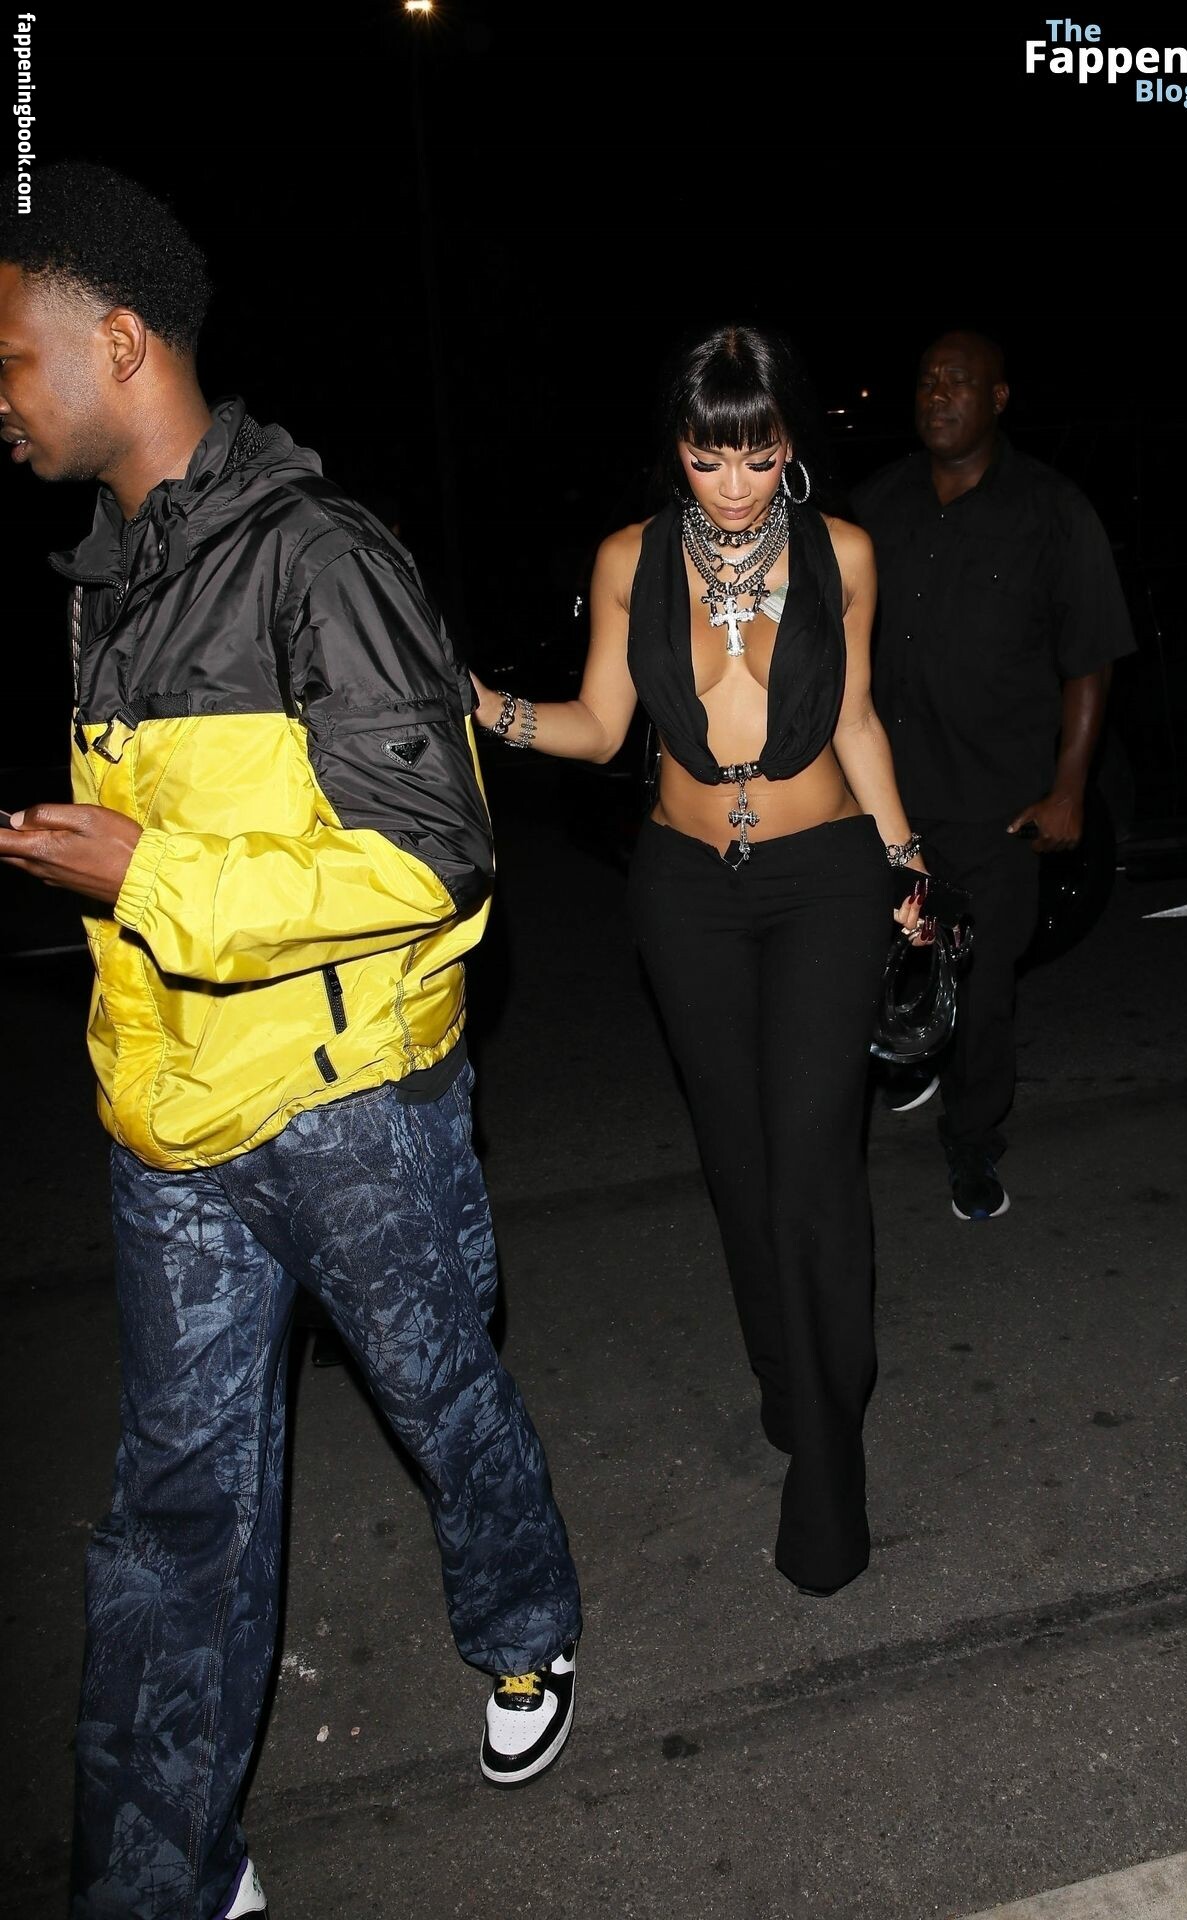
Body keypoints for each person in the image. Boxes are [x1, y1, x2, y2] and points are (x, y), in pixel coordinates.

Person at [0, 163, 581, 1920]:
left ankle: (527, 1624)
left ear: (119, 342)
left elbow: (435, 854)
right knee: (173, 1520)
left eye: (13, 357)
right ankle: (163, 1876)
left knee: (441, 1396)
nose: (0, 397)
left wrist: (146, 871)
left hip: (353, 1116)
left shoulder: (318, 557)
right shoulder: (105, 577)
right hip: (173, 1124)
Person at [471, 322, 928, 1599]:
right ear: (675, 447)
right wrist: (479, 703)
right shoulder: (630, 559)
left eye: (757, 454)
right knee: (738, 1165)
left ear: (789, 445)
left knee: (811, 1162)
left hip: (824, 877)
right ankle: (790, 1379)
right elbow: (598, 725)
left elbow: (854, 719)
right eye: (706, 456)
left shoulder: (843, 552)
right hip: (683, 892)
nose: (732, 483)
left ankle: (827, 1462)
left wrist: (905, 863)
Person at [849, 331, 1136, 1222]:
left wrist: (1069, 788)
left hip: (994, 804)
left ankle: (972, 1143)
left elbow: (1091, 658)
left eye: (959, 382)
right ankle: (909, 1057)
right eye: (926, 380)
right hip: (883, 797)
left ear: (999, 398)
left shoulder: (1053, 511)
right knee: (861, 962)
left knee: (984, 991)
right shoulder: (877, 505)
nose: (938, 394)